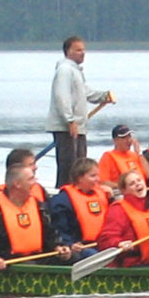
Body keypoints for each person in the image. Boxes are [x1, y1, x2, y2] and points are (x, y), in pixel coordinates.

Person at [0, 163, 71, 269]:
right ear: (17, 184)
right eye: (30, 179)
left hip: (38, 257)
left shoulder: (38, 206)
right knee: (30, 266)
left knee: (73, 258)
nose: (35, 183)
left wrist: (58, 246)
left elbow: (50, 233)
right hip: (8, 261)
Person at [45, 35, 112, 188]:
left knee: (80, 165)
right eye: (78, 50)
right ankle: (64, 194)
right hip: (67, 127)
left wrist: (103, 96)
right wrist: (70, 120)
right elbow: (61, 96)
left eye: (83, 50)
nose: (83, 53)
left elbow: (85, 92)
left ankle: (80, 192)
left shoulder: (76, 72)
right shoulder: (65, 70)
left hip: (79, 127)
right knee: (69, 166)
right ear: (68, 51)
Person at [97, 169, 149, 267]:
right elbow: (106, 240)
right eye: (132, 184)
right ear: (124, 190)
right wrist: (119, 244)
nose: (138, 184)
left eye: (139, 180)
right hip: (134, 264)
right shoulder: (118, 210)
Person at [48, 157, 109, 261]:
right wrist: (69, 243)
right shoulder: (62, 201)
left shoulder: (103, 195)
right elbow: (59, 229)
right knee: (93, 255)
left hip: (102, 243)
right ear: (80, 178)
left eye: (97, 175)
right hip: (81, 248)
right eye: (93, 176)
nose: (98, 179)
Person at [98, 124, 149, 196]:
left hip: (141, 192)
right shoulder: (108, 156)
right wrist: (123, 187)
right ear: (115, 141)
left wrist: (139, 153)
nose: (128, 140)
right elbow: (102, 182)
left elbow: (148, 175)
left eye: (129, 137)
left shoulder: (135, 155)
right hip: (121, 194)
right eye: (124, 138)